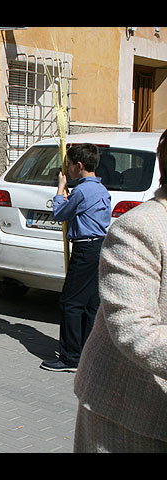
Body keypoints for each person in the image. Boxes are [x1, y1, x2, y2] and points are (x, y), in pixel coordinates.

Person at [73, 129, 167, 452]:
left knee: (81, 305)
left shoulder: (88, 190)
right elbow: (132, 326)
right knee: (74, 304)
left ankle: (70, 351)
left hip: (87, 247)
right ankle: (69, 352)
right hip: (127, 411)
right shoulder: (138, 226)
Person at [40, 143, 111, 372]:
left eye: (69, 165)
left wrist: (60, 189)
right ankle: (87, 352)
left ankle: (70, 358)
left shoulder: (81, 191)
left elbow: (60, 213)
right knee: (90, 304)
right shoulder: (101, 189)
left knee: (70, 303)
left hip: (85, 249)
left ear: (78, 166)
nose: (67, 169)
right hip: (99, 247)